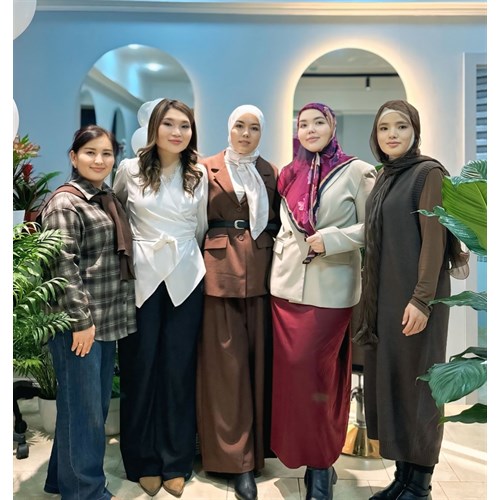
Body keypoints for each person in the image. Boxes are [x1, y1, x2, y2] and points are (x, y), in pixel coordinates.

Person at [354, 100, 468, 500]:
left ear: (415, 131)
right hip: (386, 300)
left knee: (419, 388)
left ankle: (419, 488)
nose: (392, 134)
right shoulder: (387, 176)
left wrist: (421, 300)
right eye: (384, 128)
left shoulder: (427, 173)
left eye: (401, 126)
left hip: (416, 300)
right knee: (397, 385)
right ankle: (403, 479)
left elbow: (434, 241)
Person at [270, 102, 376, 500]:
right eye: (304, 124)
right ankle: (299, 455)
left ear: (332, 126)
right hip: (285, 288)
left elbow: (373, 226)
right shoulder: (288, 173)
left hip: (331, 290)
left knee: (319, 377)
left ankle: (321, 465)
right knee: (292, 379)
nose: (311, 129)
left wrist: (331, 240)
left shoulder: (357, 171)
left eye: (319, 122)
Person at [113, 98, 208, 498]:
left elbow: (201, 226)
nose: (177, 132)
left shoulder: (199, 173)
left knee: (178, 370)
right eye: (169, 124)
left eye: (184, 125)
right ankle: (142, 459)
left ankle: (176, 460)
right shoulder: (129, 169)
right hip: (142, 278)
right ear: (154, 128)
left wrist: (185, 256)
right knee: (140, 368)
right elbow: (119, 215)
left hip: (186, 276)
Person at [40, 125, 136, 500]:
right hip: (80, 325)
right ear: (73, 157)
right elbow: (62, 267)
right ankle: (86, 491)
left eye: (106, 153)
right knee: (85, 412)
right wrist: (81, 323)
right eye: (90, 152)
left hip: (104, 320)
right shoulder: (66, 203)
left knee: (84, 407)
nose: (99, 160)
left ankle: (60, 480)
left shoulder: (103, 197)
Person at [196, 104, 280, 500]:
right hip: (218, 274)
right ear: (229, 129)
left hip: (262, 274)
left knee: (258, 366)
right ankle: (234, 461)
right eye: (240, 126)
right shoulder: (205, 168)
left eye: (254, 128)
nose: (246, 134)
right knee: (224, 370)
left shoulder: (271, 171)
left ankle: (258, 451)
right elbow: (195, 222)